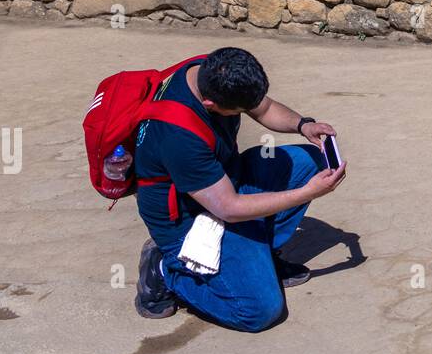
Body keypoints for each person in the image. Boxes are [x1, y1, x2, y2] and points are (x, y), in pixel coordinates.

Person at [132, 46, 346, 330]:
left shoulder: (210, 72)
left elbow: (265, 107)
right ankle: (165, 270)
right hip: (188, 222)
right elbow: (228, 209)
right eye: (240, 110)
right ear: (211, 105)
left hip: (224, 182)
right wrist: (307, 193)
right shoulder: (178, 136)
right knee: (259, 311)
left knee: (311, 161)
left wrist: (304, 126)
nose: (248, 111)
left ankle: (261, 257)